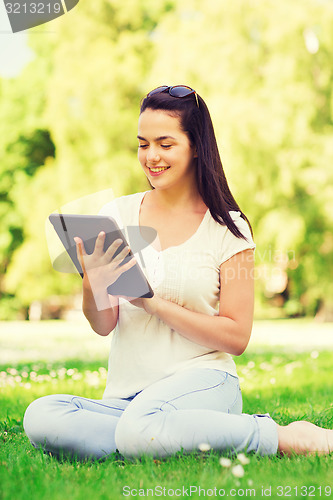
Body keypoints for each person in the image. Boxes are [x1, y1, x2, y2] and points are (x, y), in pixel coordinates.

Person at [23, 85, 332, 460]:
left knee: (140, 427)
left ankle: (280, 436)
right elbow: (104, 324)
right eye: (143, 144)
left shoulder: (228, 228)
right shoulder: (117, 215)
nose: (151, 156)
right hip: (129, 396)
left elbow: (236, 337)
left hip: (203, 383)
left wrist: (153, 303)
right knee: (43, 415)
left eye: (165, 144)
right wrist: (93, 281)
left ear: (196, 146)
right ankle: (156, 439)